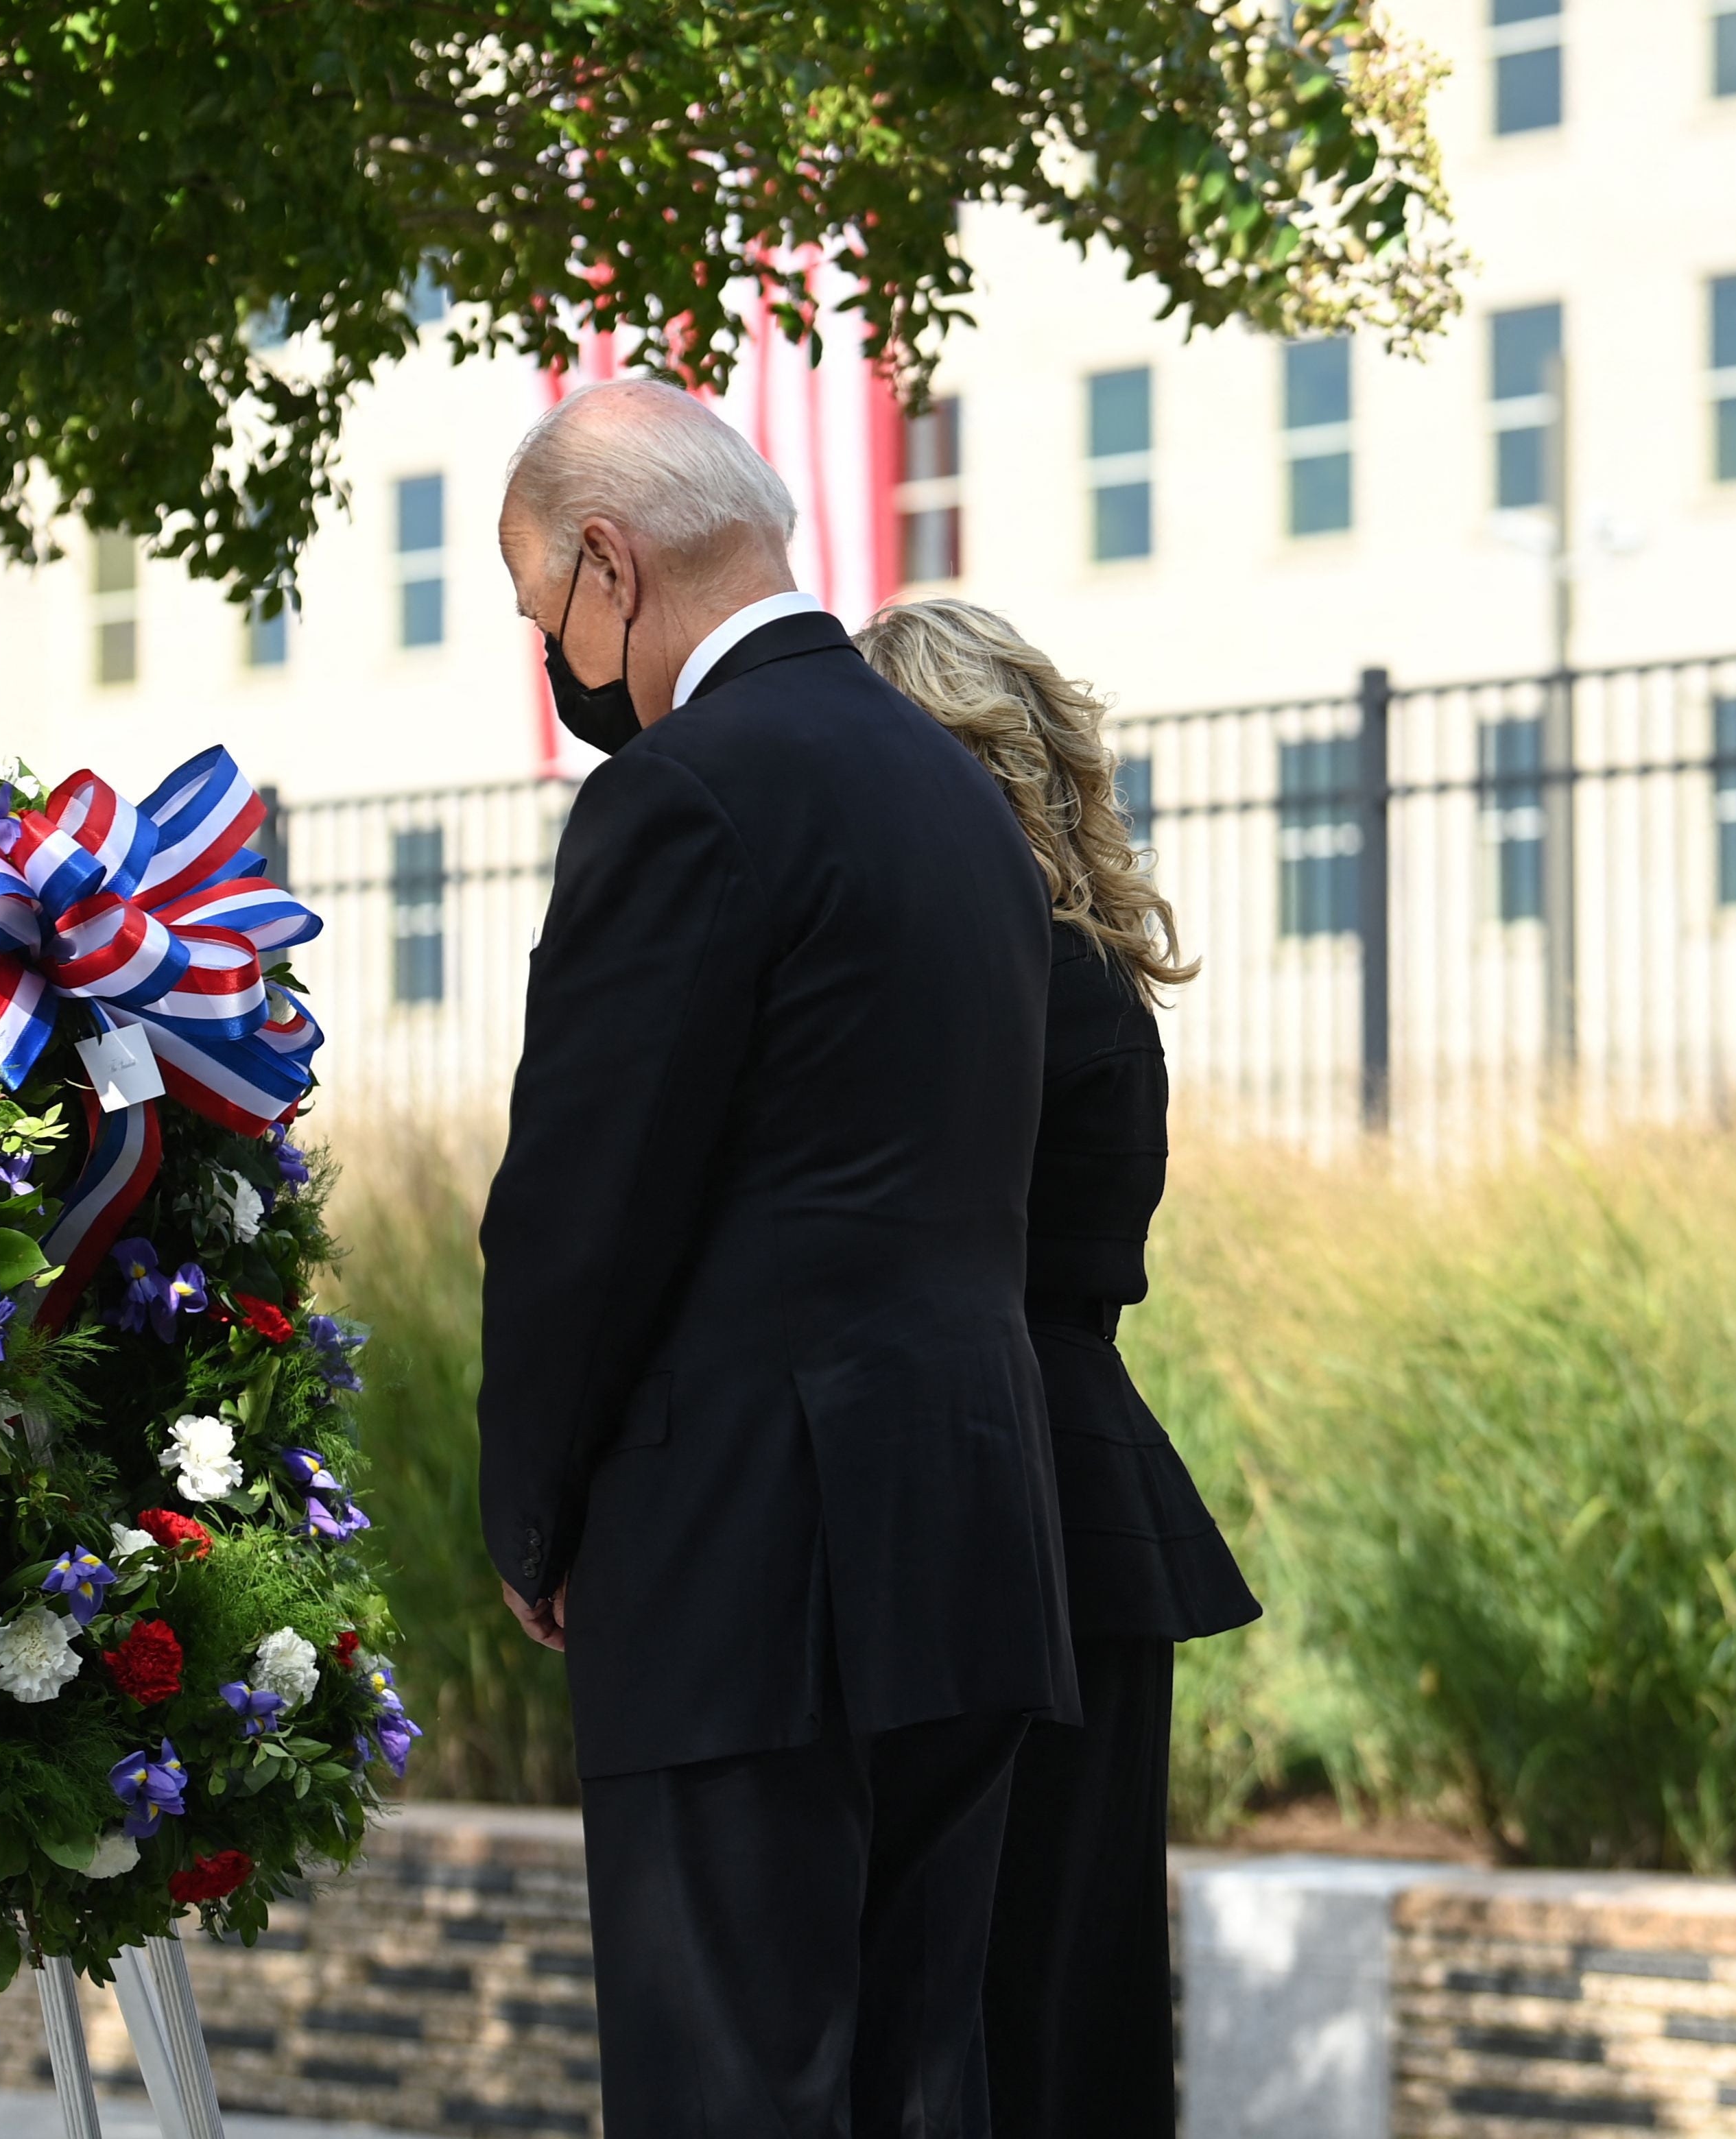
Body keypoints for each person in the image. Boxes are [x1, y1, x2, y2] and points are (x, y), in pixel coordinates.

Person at [474, 379, 1076, 2136]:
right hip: (963, 1543)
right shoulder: (959, 797)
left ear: (609, 562)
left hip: (748, 1570)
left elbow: (585, 1208)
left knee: (733, 2094)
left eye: (542, 615)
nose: (559, 663)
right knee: (916, 2088)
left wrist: (537, 1513)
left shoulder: (686, 796)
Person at [853, 598, 1261, 2139]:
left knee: (998, 1989)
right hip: (1078, 1490)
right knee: (1063, 1986)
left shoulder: (994, 985)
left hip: (999, 1483)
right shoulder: (1086, 974)